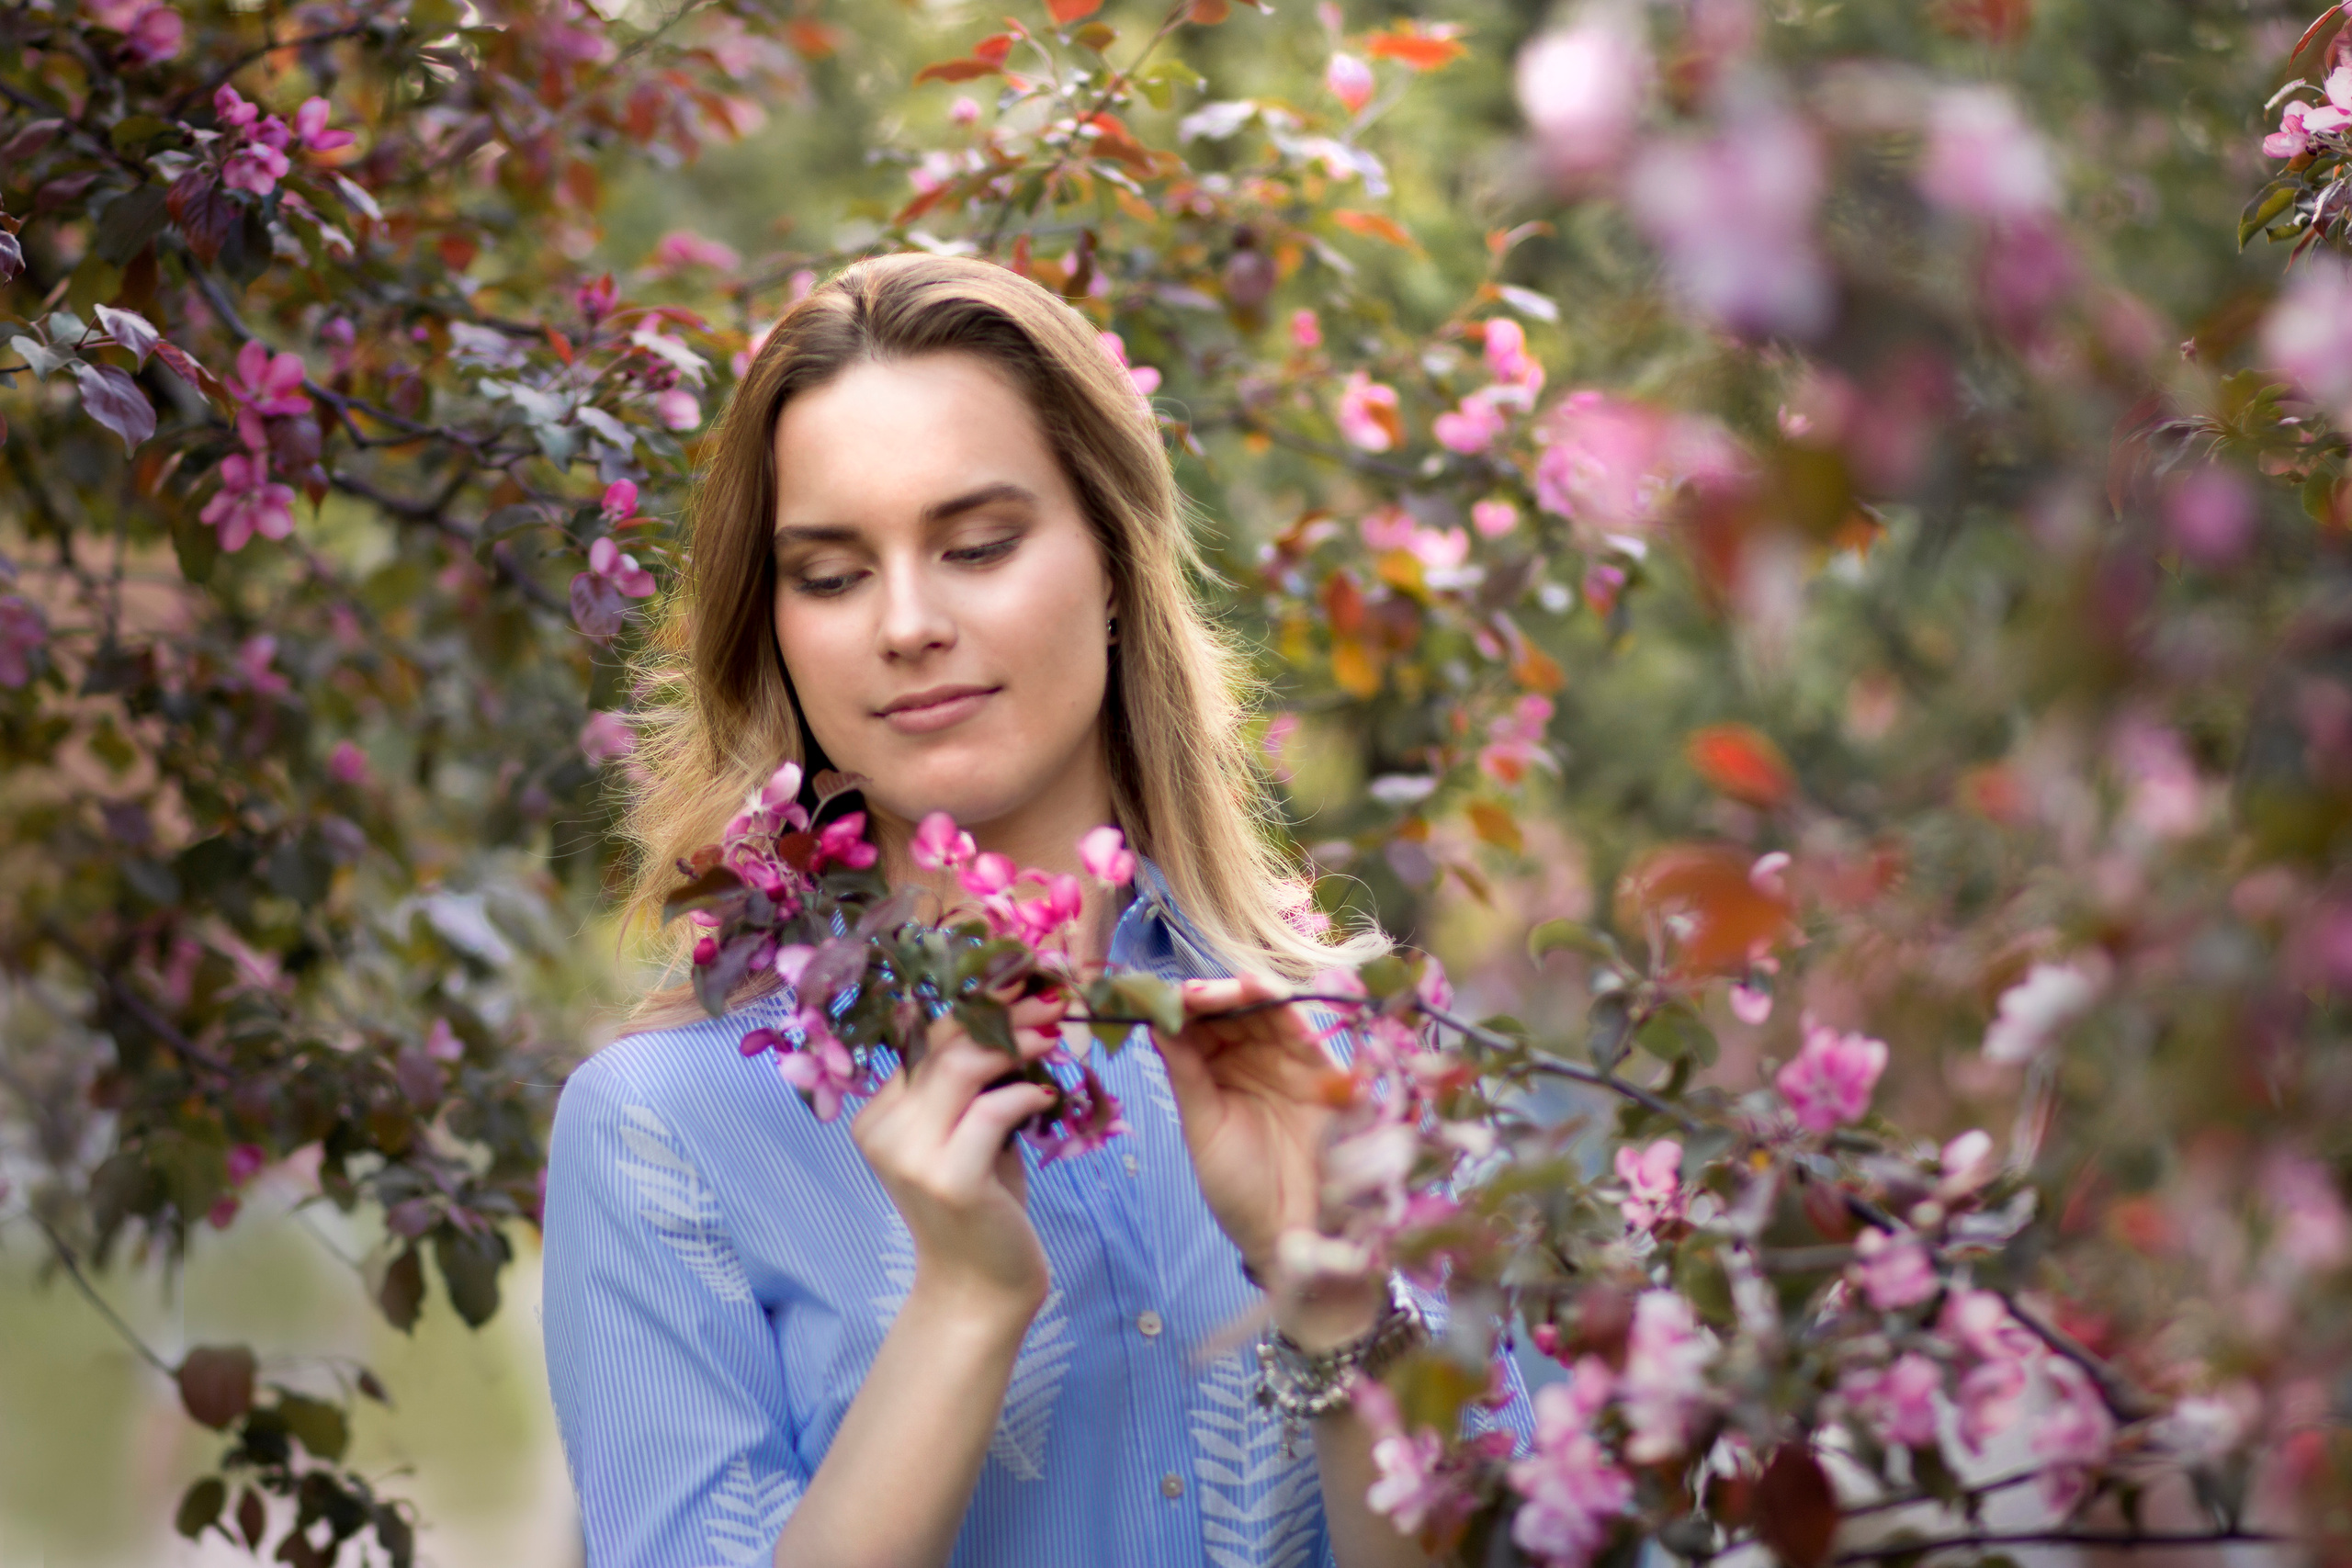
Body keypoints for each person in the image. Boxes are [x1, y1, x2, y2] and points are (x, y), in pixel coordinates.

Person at [542, 252, 1531, 1568]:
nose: (906, 623)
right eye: (830, 575)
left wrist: (1341, 1305)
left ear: (1116, 563)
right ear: (774, 626)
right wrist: (961, 1304)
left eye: (979, 546)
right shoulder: (662, 1136)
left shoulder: (1354, 1060)